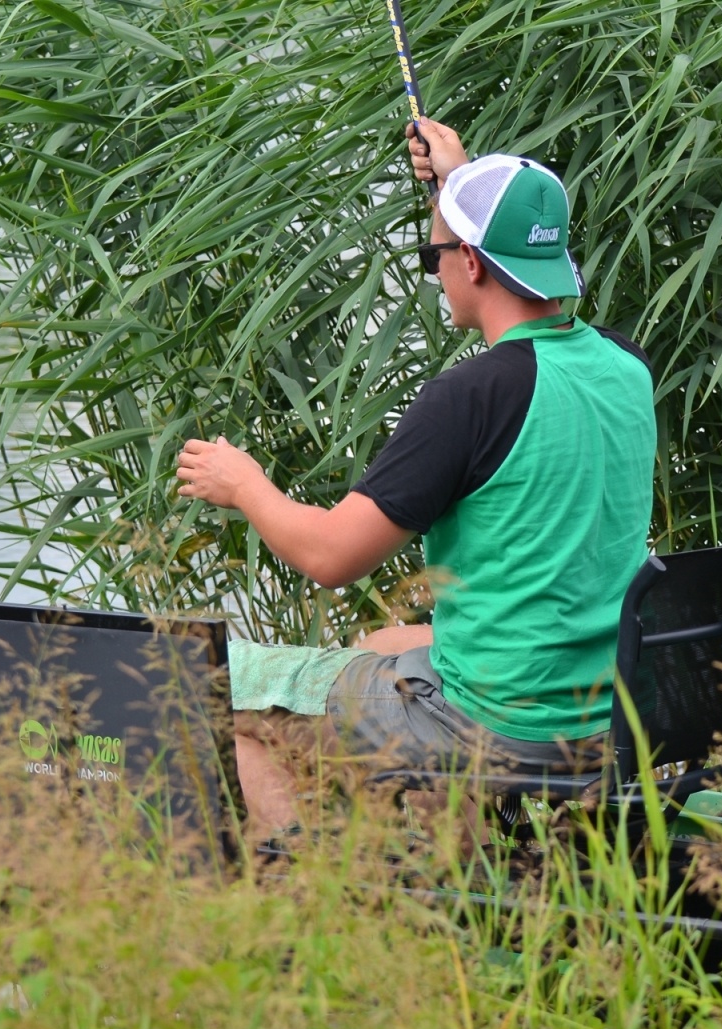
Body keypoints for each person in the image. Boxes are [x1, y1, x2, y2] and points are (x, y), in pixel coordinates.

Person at [174, 119, 657, 839]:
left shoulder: (470, 397)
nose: (433, 271)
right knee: (380, 646)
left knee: (210, 684)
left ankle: (304, 895)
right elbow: (513, 272)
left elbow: (333, 556)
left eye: (436, 256)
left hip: (505, 722)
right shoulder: (626, 367)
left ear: (470, 262)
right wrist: (455, 185)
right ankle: (454, 858)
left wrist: (246, 486)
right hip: (604, 706)